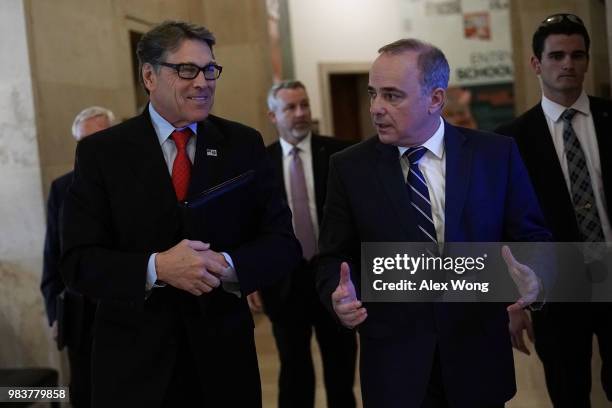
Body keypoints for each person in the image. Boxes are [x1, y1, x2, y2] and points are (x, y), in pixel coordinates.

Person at [60, 21, 301, 408]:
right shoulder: (102, 154)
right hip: (135, 369)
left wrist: (227, 265)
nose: (202, 82)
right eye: (186, 70)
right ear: (150, 76)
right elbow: (76, 262)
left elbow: (282, 243)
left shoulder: (242, 144)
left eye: (210, 70)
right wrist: (156, 268)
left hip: (224, 365)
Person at [316, 38, 552, 407]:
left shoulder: (495, 154)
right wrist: (338, 297)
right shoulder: (348, 168)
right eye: (372, 93)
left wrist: (535, 275)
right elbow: (333, 257)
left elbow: (534, 236)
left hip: (477, 359)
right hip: (395, 367)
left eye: (392, 96)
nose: (376, 108)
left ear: (436, 99)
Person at [496, 13, 611, 407]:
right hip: (557, 287)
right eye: (557, 55)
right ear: (536, 63)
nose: (568, 64)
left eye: (578, 55)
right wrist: (512, 300)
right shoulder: (511, 141)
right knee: (569, 392)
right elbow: (505, 226)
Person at [247, 80, 356, 408]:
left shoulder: (340, 153)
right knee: (294, 369)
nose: (300, 113)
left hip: (333, 278)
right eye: (290, 107)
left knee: (341, 367)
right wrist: (250, 275)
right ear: (272, 115)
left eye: (304, 105)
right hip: (283, 280)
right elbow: (250, 224)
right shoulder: (258, 163)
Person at [41, 106, 114, 407]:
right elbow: (52, 253)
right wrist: (54, 312)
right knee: (84, 393)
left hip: (127, 310)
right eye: (85, 142)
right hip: (80, 316)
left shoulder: (136, 182)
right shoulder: (62, 188)